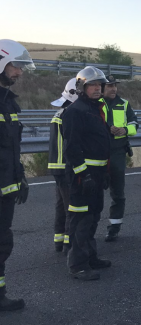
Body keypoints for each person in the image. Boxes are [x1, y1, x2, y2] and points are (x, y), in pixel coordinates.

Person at [62, 66, 112, 280]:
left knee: (93, 217)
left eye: (99, 85)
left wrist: (104, 173)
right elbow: (71, 148)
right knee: (81, 220)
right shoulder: (76, 111)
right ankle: (78, 265)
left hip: (96, 174)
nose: (97, 88)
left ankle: (90, 257)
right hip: (82, 177)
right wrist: (84, 175)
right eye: (92, 85)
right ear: (82, 87)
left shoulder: (94, 109)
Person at [0, 40, 33, 311]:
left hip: (6, 187)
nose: (19, 72)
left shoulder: (8, 103)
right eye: (15, 66)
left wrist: (19, 176)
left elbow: (11, 147)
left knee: (2, 243)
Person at [101, 75, 139, 242]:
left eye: (115, 85)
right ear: (102, 87)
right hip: (99, 152)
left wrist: (125, 130)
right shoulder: (96, 103)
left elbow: (134, 123)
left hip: (117, 153)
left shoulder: (123, 104)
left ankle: (114, 228)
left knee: (118, 193)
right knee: (93, 193)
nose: (114, 89)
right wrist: (106, 129)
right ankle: (87, 229)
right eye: (110, 86)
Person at [49, 78, 78, 252]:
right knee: (71, 206)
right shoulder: (69, 114)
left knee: (61, 205)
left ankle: (59, 240)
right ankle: (69, 243)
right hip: (65, 166)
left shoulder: (60, 113)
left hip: (56, 166)